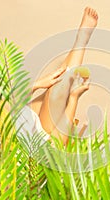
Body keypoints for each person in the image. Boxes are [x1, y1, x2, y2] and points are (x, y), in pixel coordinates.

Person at [17, 7, 98, 145]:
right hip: (33, 145)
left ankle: (80, 42)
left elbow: (10, 104)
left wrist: (39, 84)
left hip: (18, 123)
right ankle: (81, 41)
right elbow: (57, 145)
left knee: (58, 79)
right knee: (56, 91)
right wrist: (73, 98)